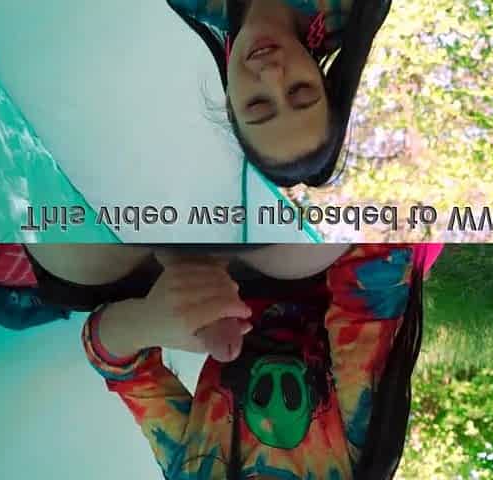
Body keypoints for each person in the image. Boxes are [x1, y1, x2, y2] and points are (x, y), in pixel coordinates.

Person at [75, 244, 434, 479]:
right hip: (314, 262)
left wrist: (151, 321)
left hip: (206, 267)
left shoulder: (196, 470)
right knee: (291, 256)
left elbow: (116, 363)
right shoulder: (357, 453)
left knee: (76, 266)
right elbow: (373, 269)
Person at [167, 0, 392, 187]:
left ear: (230, 103)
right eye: (301, 91)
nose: (271, 74)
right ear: (322, 80)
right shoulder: (354, 8)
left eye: (258, 106)